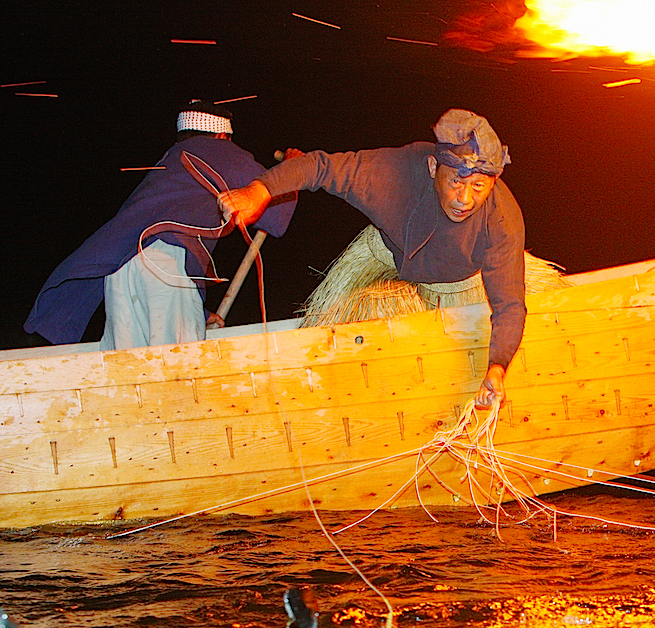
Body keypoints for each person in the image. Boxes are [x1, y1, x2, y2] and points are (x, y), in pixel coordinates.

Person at [216, 109, 525, 410]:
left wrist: (497, 367)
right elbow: (320, 167)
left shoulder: (502, 221)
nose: (465, 199)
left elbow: (509, 304)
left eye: (478, 186)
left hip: (457, 285)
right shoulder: (392, 173)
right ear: (433, 167)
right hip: (386, 257)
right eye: (456, 182)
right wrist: (260, 190)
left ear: (493, 182)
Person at [24, 100, 296, 349]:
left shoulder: (169, 164)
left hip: (121, 271)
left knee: (130, 367)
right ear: (222, 135)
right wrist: (292, 169)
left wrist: (199, 315)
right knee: (179, 369)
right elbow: (277, 216)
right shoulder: (218, 150)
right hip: (162, 263)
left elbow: (147, 270)